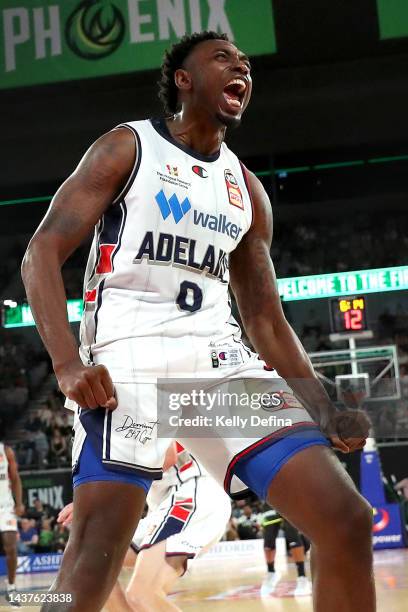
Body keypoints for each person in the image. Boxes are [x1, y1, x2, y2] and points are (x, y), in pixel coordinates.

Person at [21, 31, 373, 612]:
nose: (241, 67)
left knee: (345, 519)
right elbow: (41, 253)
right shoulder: (126, 147)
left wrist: (322, 403)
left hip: (215, 365)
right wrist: (65, 364)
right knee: (91, 559)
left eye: (246, 63)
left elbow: (262, 314)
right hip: (128, 359)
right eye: (223, 58)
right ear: (183, 79)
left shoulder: (246, 189)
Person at [58, 443, 231, 611]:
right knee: (92, 562)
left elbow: (168, 457)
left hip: (193, 494)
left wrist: (99, 498)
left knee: (143, 594)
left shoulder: (146, 413)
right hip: (167, 504)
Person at [260, 507, 312, 597]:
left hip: (289, 499)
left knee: (293, 537)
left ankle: (302, 577)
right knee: (268, 542)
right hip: (270, 500)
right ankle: (271, 573)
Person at [0, 441, 24, 607]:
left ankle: (11, 587)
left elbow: (15, 478)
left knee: (11, 546)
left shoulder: (6, 451)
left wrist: (19, 503)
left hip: (5, 506)